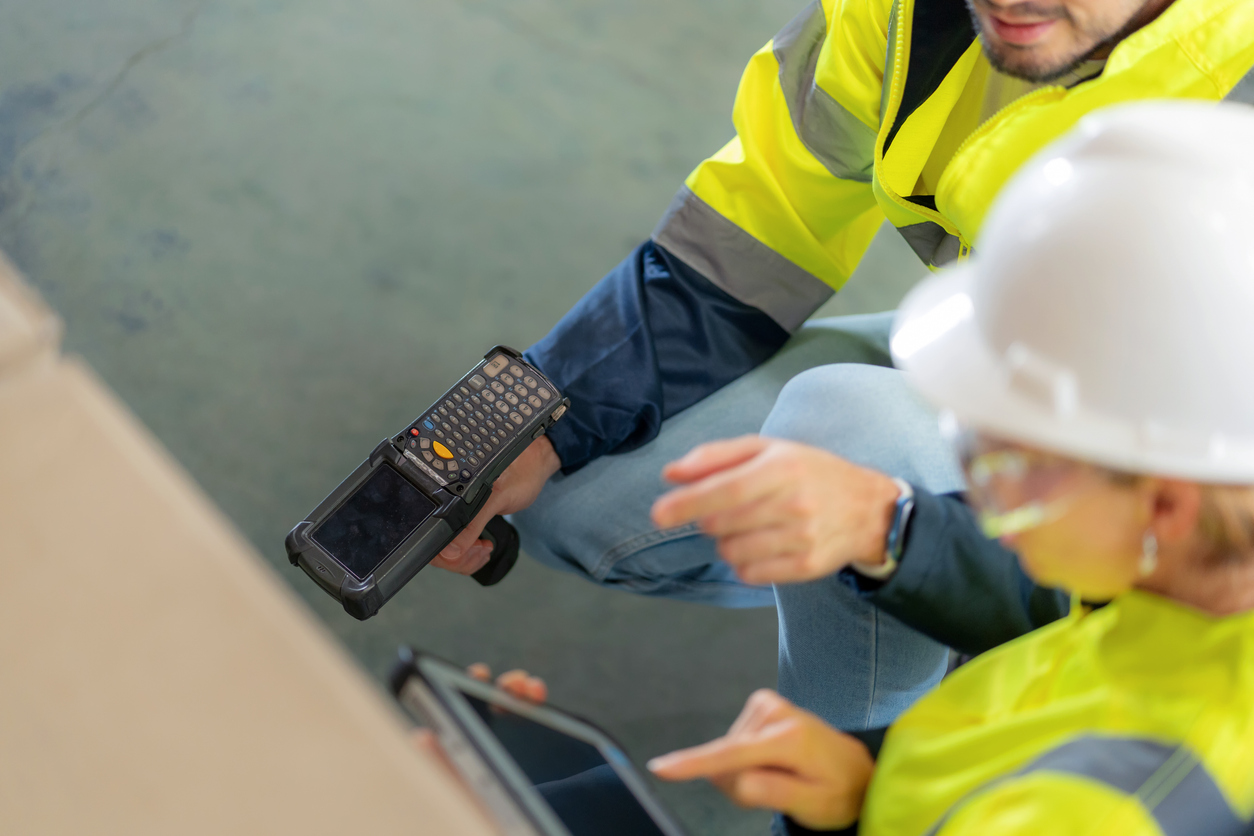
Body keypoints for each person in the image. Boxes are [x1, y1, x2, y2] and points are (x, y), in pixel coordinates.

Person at [432, 0, 1254, 733]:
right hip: (1023, 353)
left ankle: (849, 762)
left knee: (845, 429)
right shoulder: (898, 16)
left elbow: (1217, 570)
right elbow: (746, 244)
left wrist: (898, 535)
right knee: (577, 502)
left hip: (1203, 494)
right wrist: (550, 413)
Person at [637, 101, 1254, 834]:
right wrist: (861, 791)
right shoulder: (1182, 592)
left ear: (1166, 509)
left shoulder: (1108, 808)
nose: (983, 494)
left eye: (1015, 461)